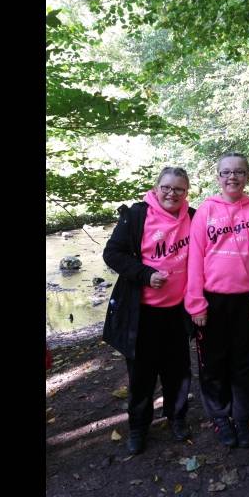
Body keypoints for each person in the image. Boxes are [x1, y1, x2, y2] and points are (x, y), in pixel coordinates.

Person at [103, 167, 196, 455]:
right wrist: (145, 274)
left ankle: (176, 417)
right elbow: (112, 253)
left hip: (178, 311)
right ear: (156, 188)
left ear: (186, 192)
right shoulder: (136, 215)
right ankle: (138, 427)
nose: (172, 193)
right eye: (166, 187)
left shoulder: (193, 217)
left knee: (178, 371)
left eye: (178, 189)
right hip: (142, 313)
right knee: (141, 375)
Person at [185, 152, 249, 449]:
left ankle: (242, 418)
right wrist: (196, 302)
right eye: (226, 172)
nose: (232, 177)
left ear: (247, 176)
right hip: (211, 302)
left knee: (245, 363)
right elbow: (195, 259)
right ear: (218, 177)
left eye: (238, 172)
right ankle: (220, 417)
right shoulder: (205, 211)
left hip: (246, 302)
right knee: (213, 364)